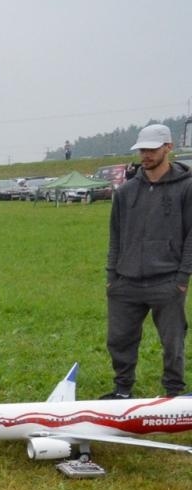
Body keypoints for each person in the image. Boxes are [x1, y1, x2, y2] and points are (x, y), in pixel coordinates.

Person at [104, 123, 192, 399]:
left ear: (168, 147)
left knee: (172, 341)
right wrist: (112, 277)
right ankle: (122, 390)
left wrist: (182, 278)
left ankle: (173, 393)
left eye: (153, 149)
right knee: (119, 340)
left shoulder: (186, 188)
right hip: (125, 282)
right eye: (143, 149)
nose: (146, 155)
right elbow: (115, 236)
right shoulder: (126, 191)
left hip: (167, 281)